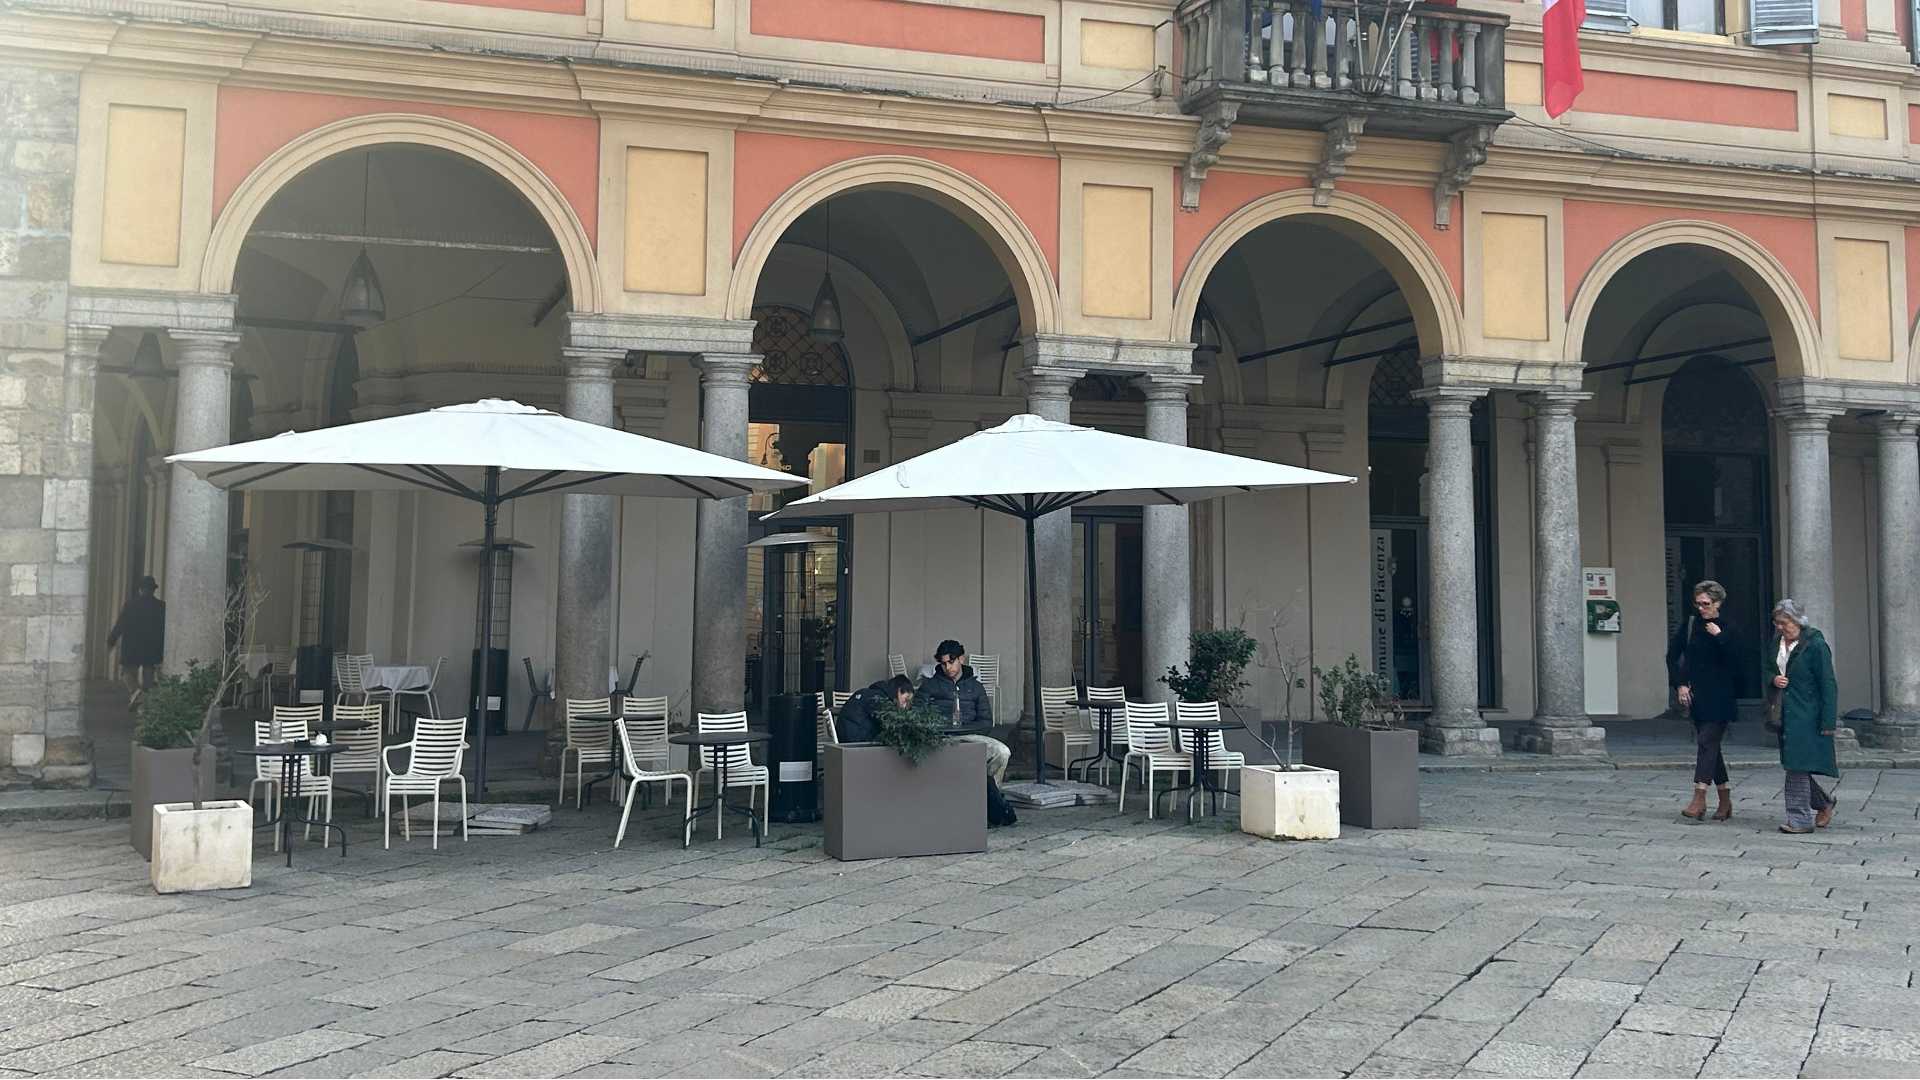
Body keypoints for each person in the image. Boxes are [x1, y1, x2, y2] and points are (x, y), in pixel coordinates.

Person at [1666, 580, 1740, 821]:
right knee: (1711, 748)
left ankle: (1699, 798)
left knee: (1706, 742)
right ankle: (1725, 800)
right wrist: (1680, 684)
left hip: (1721, 697)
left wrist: (1721, 637)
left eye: (1706, 604)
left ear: (1718, 603)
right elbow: (1672, 656)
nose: (1701, 608)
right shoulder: (1690, 625)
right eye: (1698, 603)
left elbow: (1739, 663)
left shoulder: (1729, 627)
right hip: (1696, 696)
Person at [1767, 599, 1839, 834]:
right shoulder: (1777, 642)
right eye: (1776, 623)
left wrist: (1828, 721)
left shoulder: (1816, 646)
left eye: (1783, 622)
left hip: (1807, 714)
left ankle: (1800, 820)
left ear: (1797, 621)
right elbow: (1768, 668)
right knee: (1794, 764)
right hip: (1784, 713)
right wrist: (1773, 679)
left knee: (1796, 766)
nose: (1779, 627)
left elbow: (1828, 684)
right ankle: (1824, 802)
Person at [915, 639, 1010, 783]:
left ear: (961, 659)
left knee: (1002, 752)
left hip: (971, 737)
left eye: (951, 662)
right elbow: (916, 715)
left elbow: (986, 722)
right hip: (940, 738)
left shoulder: (976, 687)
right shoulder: (929, 686)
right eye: (943, 663)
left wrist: (962, 729)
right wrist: (939, 729)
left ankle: (990, 795)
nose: (947, 667)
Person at [108, 576, 165, 706]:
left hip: (133, 646)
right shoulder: (161, 606)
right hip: (152, 647)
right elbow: (165, 628)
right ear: (153, 590)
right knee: (149, 677)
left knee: (127, 673)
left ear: (140, 589)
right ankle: (146, 706)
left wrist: (112, 639)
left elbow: (121, 624)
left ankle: (135, 693)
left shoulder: (131, 604)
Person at [835, 675, 914, 745]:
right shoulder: (879, 698)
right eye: (905, 700)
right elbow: (891, 724)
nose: (904, 706)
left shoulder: (870, 693)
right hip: (854, 741)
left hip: (846, 736)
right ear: (899, 690)